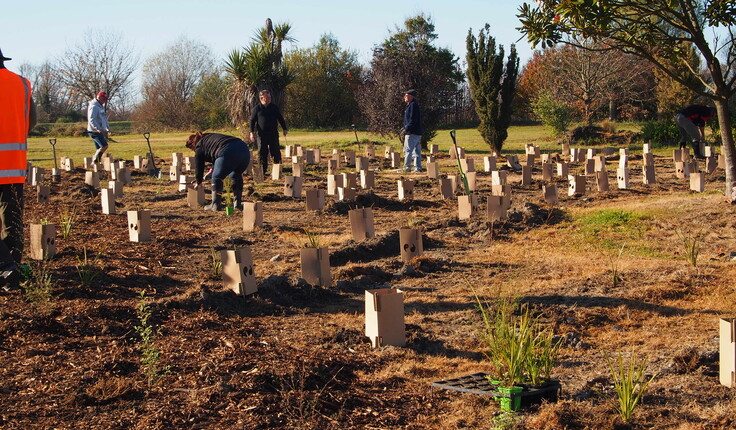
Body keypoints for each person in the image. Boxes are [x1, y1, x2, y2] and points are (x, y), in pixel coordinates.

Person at [0, 48, 36, 289]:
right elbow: (31, 121)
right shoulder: (22, 83)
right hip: (13, 164)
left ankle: (6, 268)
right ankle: (12, 270)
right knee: (11, 217)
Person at [186, 132, 251, 211]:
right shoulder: (209, 137)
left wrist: (198, 180)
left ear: (192, 144)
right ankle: (237, 204)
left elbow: (199, 166)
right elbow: (216, 155)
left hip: (227, 151)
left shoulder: (199, 146)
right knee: (235, 175)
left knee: (217, 177)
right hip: (244, 149)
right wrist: (211, 171)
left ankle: (215, 205)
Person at [249, 90, 288, 176]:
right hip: (261, 134)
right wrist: (251, 133)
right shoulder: (257, 109)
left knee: (275, 151)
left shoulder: (274, 107)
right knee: (262, 152)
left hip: (273, 133)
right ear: (261, 98)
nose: (269, 99)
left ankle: (277, 170)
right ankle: (263, 171)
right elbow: (252, 121)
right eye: (267, 97)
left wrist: (284, 128)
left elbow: (280, 118)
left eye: (270, 97)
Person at [402, 89, 423, 172]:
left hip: (412, 132)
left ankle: (407, 168)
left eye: (406, 95)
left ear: (411, 96)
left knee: (408, 150)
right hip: (417, 132)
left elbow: (412, 120)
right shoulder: (412, 105)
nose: (404, 97)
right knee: (416, 151)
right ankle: (418, 168)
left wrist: (406, 128)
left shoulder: (413, 105)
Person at [87, 91, 111, 163]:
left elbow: (104, 118)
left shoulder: (101, 107)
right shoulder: (93, 107)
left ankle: (97, 164)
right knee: (104, 146)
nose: (104, 101)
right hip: (94, 131)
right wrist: (98, 129)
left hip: (99, 130)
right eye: (103, 99)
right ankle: (95, 161)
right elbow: (92, 119)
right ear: (99, 97)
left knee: (99, 148)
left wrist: (108, 128)